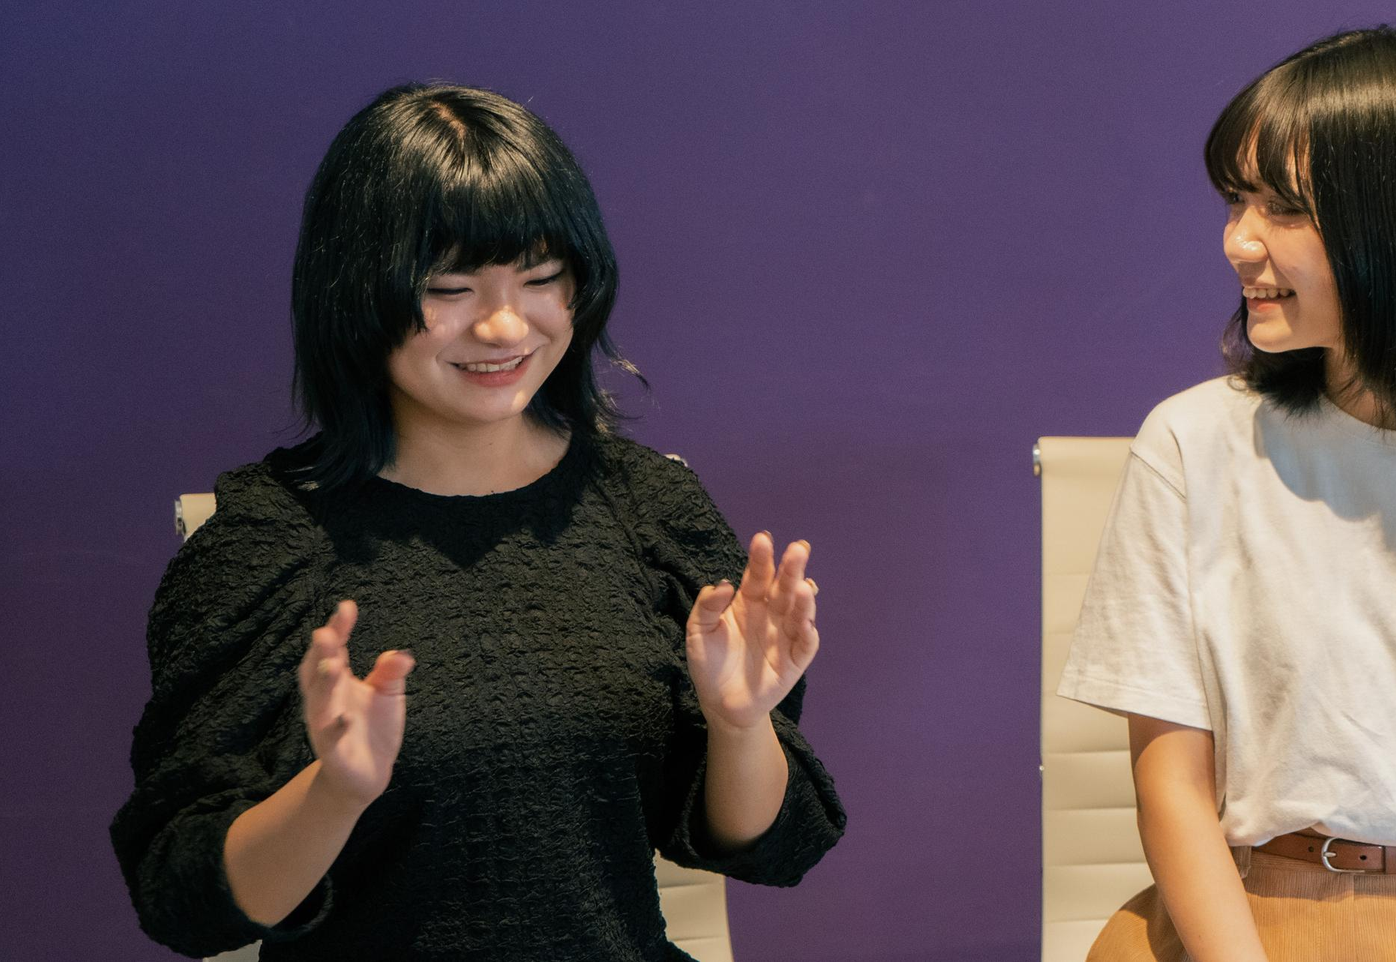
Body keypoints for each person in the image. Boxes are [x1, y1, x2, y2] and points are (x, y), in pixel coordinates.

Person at [110, 84, 845, 961]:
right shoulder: (267, 544)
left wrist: (739, 725)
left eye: (541, 279)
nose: (503, 325)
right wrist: (334, 792)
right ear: (356, 294)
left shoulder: (649, 510)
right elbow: (186, 903)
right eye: (449, 287)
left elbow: (768, 848)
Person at [1057, 25, 1396, 962]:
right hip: (1252, 915)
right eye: (1237, 201)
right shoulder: (1194, 443)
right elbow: (1172, 788)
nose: (1238, 242)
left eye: (1286, 208)